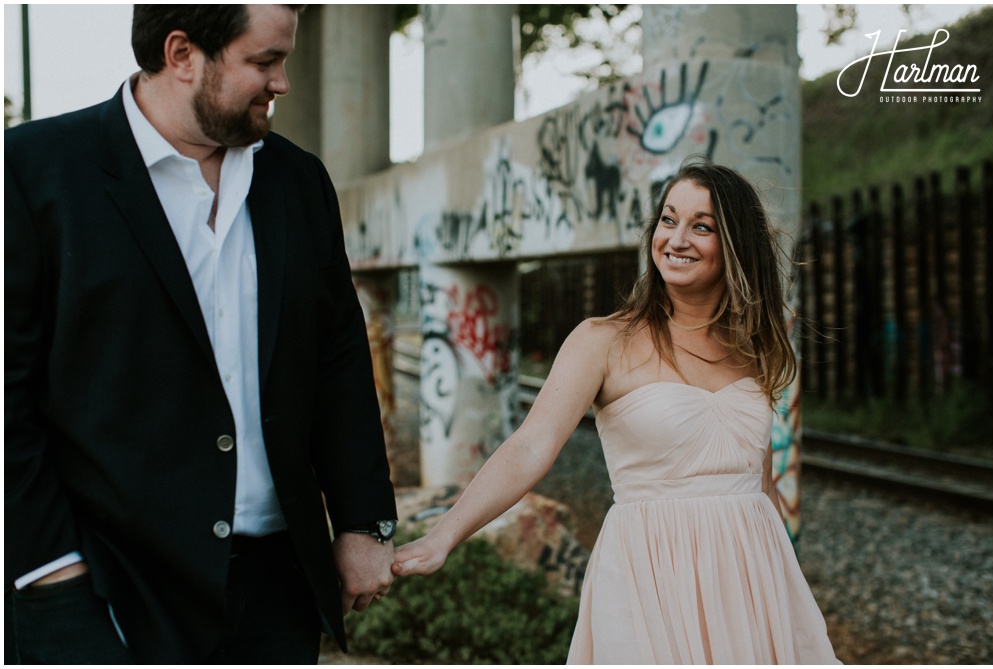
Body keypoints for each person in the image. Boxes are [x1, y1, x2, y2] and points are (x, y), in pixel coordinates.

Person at [5, 5, 397, 664]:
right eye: (264, 61)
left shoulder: (298, 180)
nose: (282, 83)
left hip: (276, 588)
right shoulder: (32, 170)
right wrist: (51, 570)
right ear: (182, 54)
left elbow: (338, 357)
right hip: (108, 586)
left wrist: (361, 520)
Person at [393, 159, 841, 664]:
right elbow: (530, 444)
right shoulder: (603, 340)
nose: (676, 238)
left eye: (702, 226)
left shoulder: (756, 346)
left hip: (751, 577)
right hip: (649, 575)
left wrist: (783, 586)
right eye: (668, 220)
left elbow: (757, 484)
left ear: (737, 246)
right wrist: (444, 535)